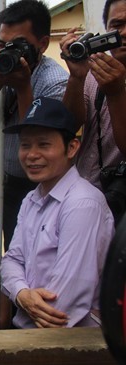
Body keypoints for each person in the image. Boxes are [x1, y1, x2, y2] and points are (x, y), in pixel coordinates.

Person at [0, 0, 68, 249]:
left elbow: (34, 139)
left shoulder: (55, 80)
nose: (7, 52)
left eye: (17, 45)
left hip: (36, 183)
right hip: (0, 172)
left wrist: (22, 86)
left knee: (26, 248)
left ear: (41, 44)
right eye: (2, 44)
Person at [0, 97, 114, 329]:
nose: (32, 155)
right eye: (25, 145)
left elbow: (61, 308)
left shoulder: (82, 203)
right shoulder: (31, 200)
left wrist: (24, 301)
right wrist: (21, 293)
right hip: (33, 335)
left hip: (73, 345)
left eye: (43, 144)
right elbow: (11, 260)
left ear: (71, 147)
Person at [60, 0, 126, 223]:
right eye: (117, 24)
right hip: (87, 199)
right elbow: (68, 125)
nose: (123, 32)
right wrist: (76, 77)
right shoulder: (95, 69)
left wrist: (116, 94)